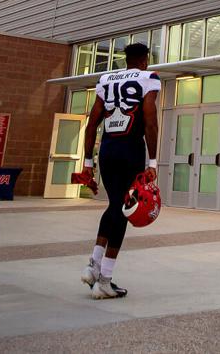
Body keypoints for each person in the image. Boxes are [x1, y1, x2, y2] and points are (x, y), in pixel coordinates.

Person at [77, 42, 159, 299]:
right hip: (130, 149)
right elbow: (150, 121)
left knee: (113, 205)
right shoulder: (148, 77)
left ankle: (93, 265)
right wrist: (153, 162)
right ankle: (105, 279)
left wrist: (88, 163)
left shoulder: (106, 79)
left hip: (108, 150)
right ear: (145, 60)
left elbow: (92, 125)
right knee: (123, 210)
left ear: (126, 60)